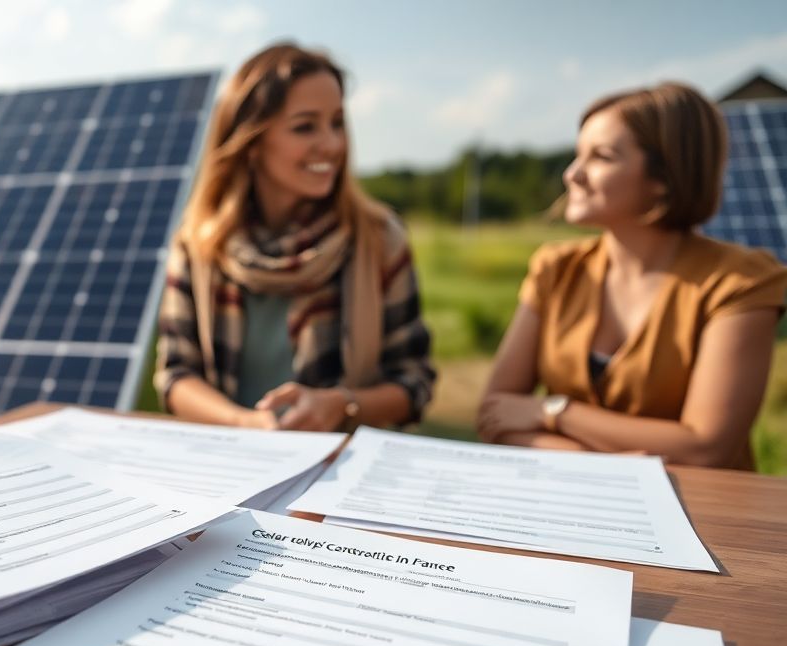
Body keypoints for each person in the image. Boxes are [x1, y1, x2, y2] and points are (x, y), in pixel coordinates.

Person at [478, 82, 787, 470]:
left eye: (601, 157)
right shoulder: (555, 268)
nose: (573, 174)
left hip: (696, 521)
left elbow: (706, 448)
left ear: (665, 176)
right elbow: (494, 414)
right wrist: (604, 465)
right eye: (577, 156)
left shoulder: (739, 281)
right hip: (565, 513)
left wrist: (554, 411)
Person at [154, 43, 435, 433]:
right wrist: (246, 423)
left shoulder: (378, 240)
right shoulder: (198, 245)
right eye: (305, 126)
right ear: (251, 144)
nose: (333, 144)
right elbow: (175, 375)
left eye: (337, 122)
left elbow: (415, 381)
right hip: (229, 473)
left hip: (343, 474)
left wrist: (342, 404)